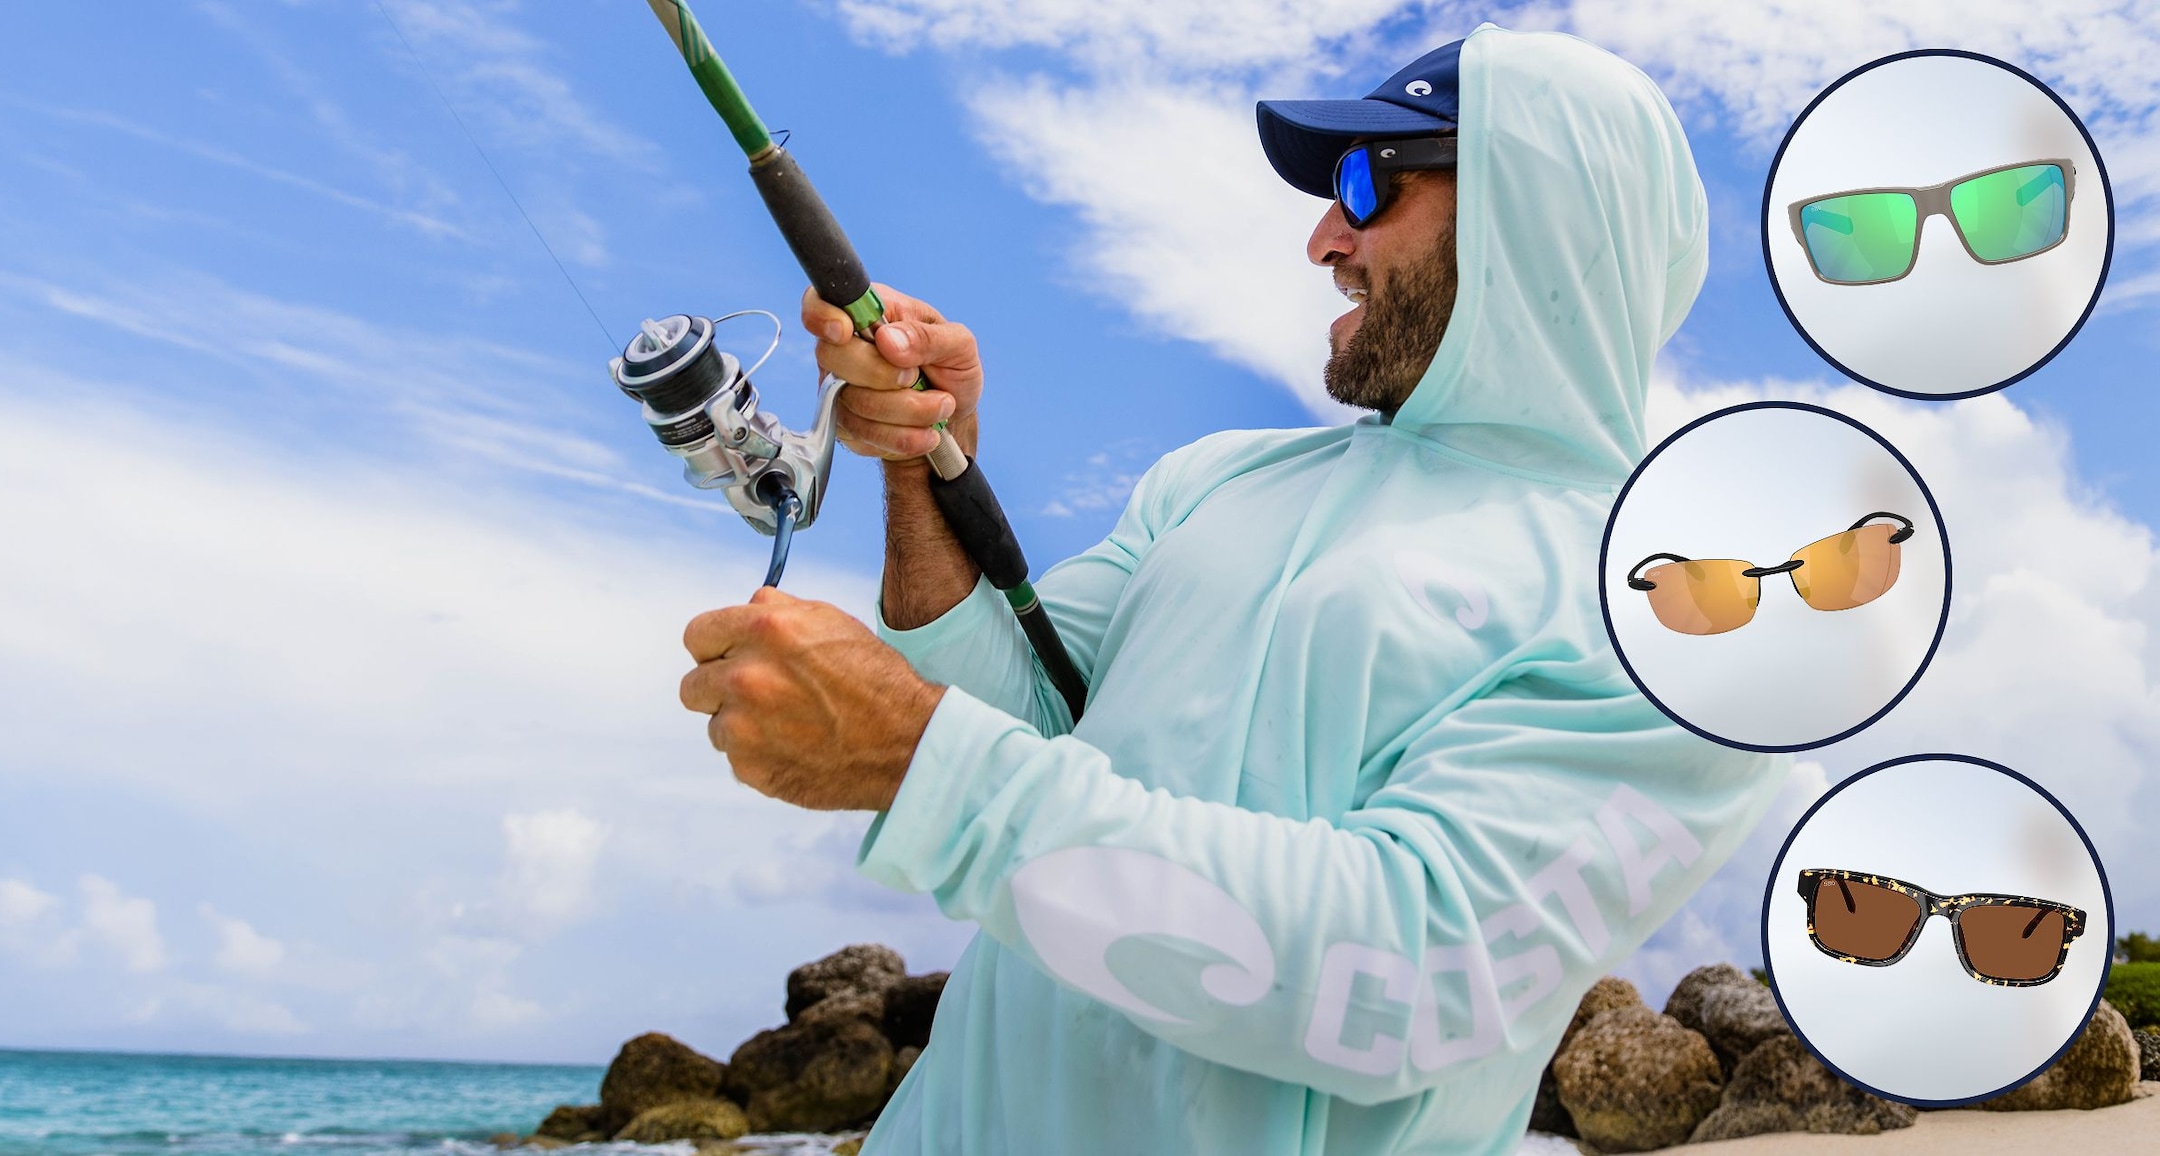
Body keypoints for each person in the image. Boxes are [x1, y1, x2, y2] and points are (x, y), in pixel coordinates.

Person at [677, 25, 1785, 1155]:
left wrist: (917, 760)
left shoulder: (1670, 629)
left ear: (1532, 215)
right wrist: (924, 466)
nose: (1321, 238)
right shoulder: (1211, 478)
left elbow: (1397, 977)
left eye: (1366, 182)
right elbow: (1011, 721)